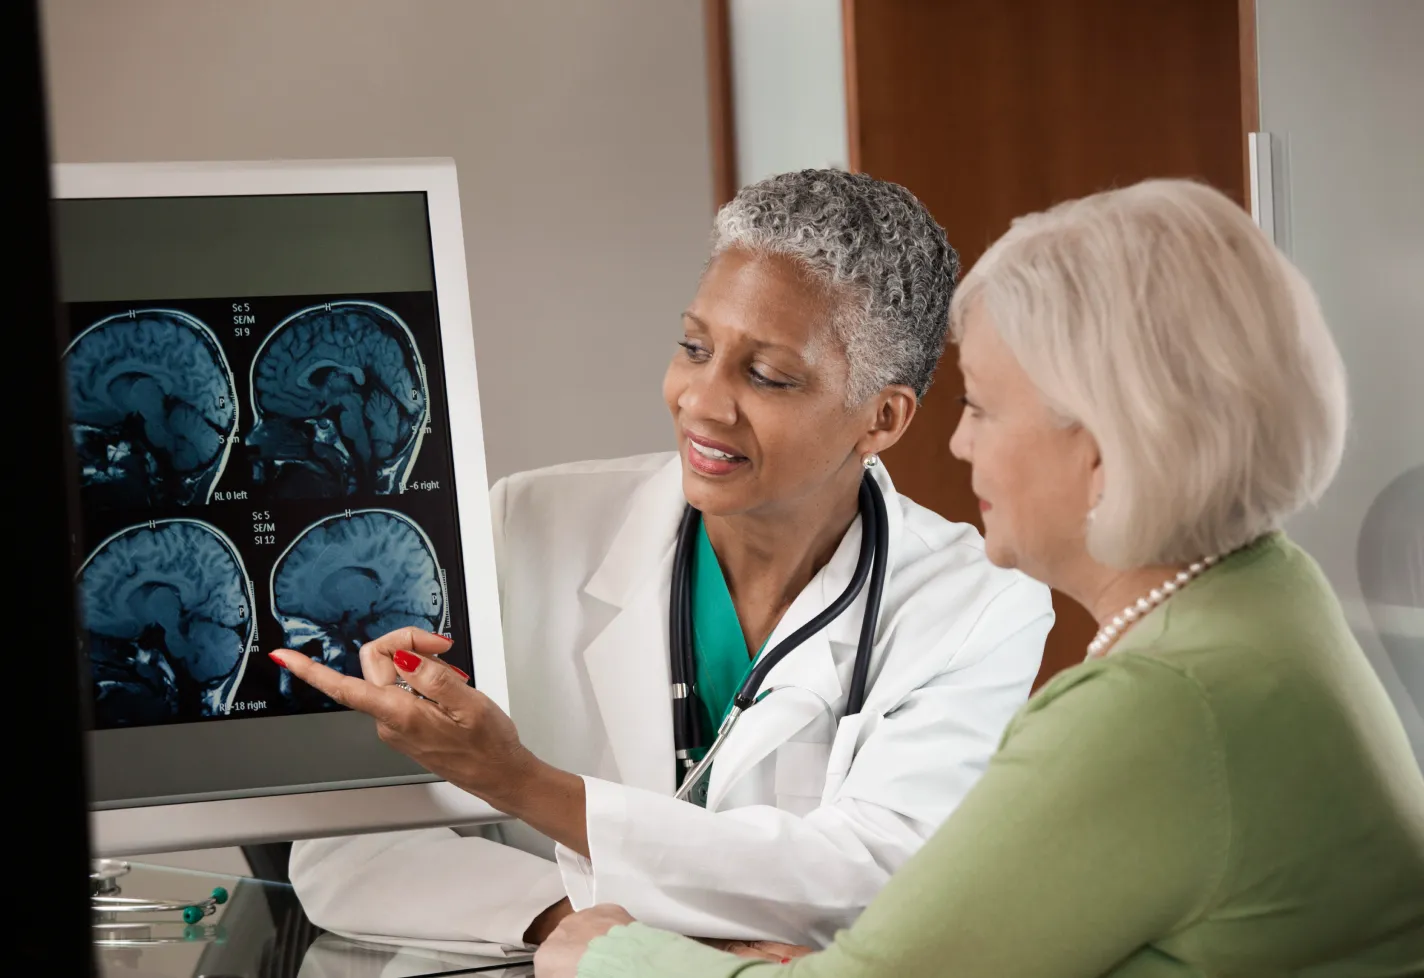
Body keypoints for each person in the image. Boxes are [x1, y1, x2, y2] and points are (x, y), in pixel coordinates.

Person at [534, 178, 1424, 977]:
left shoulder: (1159, 704)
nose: (956, 445)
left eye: (981, 408)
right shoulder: (1272, 599)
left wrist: (611, 954)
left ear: (1108, 447)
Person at [273, 169, 1055, 956]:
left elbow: (883, 884)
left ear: (882, 419)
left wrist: (518, 782)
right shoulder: (525, 526)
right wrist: (573, 924)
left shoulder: (976, 604)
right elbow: (351, 851)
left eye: (768, 376)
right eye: (694, 348)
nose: (701, 401)